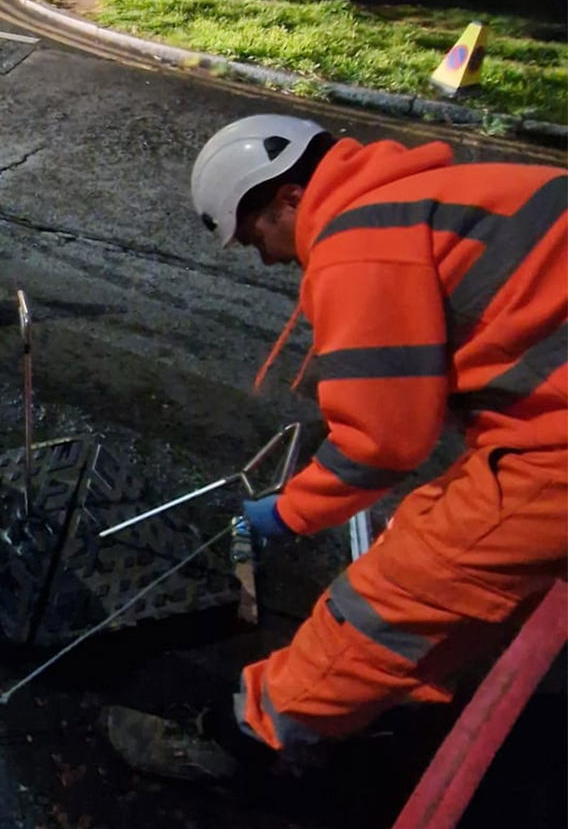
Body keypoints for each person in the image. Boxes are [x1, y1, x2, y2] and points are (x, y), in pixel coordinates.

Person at [110, 114, 566, 779]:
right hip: (543, 413)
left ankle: (250, 734)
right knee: (437, 534)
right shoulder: (429, 190)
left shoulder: (362, 246)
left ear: (290, 196)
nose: (265, 258)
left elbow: (382, 444)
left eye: (256, 234)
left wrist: (290, 510)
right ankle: (391, 691)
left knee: (402, 588)